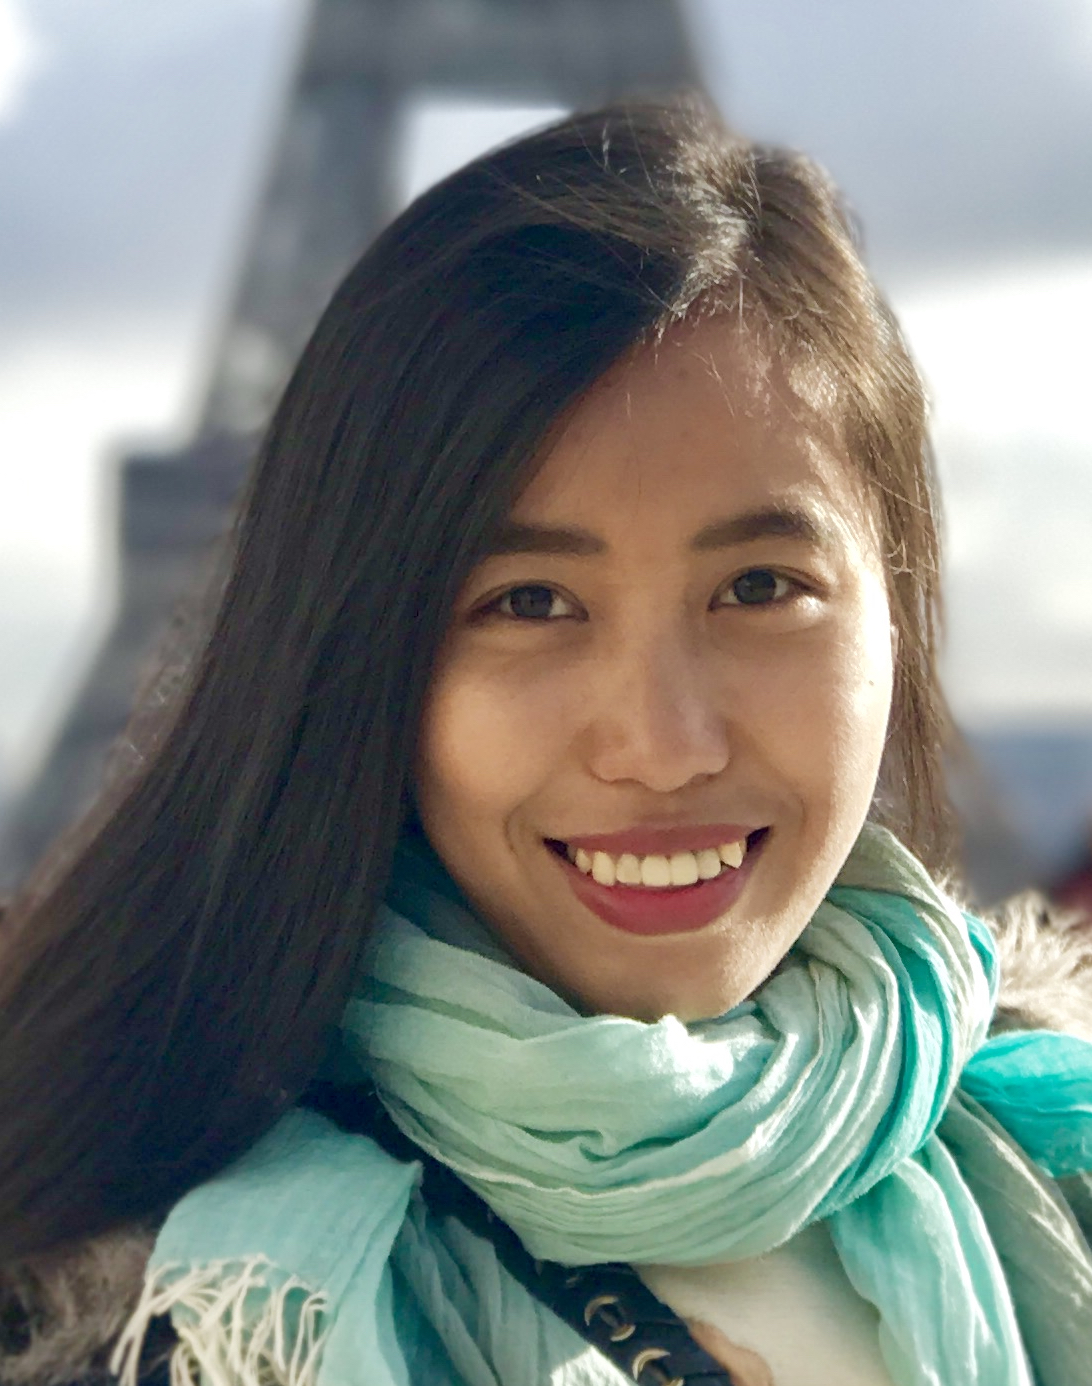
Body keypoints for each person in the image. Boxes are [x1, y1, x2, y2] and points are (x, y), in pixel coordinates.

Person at [1, 97, 1091, 1386]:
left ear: (895, 610)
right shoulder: (133, 1299)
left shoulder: (1050, 1163)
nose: (664, 743)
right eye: (529, 602)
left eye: (759, 588)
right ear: (358, 650)